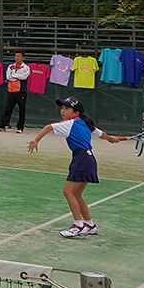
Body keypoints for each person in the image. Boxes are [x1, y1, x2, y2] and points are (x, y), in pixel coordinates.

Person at [27, 97, 122, 237]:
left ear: (76, 112)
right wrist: (110, 139)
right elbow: (102, 135)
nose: (63, 111)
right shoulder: (85, 123)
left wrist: (36, 140)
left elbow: (49, 127)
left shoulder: (70, 123)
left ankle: (78, 225)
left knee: (68, 192)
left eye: (66, 109)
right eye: (62, 108)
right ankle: (89, 224)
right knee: (76, 194)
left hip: (81, 159)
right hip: (89, 159)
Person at [0, 51, 29, 133]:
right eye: (16, 56)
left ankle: (20, 128)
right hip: (11, 90)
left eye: (19, 56)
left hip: (21, 91)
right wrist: (16, 77)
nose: (17, 58)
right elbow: (8, 77)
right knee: (8, 109)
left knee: (21, 110)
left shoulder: (26, 68)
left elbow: (23, 77)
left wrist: (14, 76)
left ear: (23, 58)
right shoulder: (11, 67)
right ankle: (2, 126)